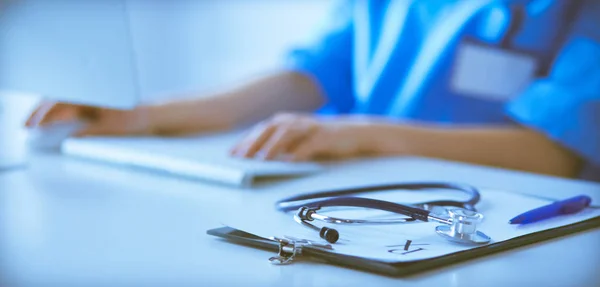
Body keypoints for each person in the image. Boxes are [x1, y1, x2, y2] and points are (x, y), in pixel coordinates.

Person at [25, 0, 599, 181]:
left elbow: (561, 148)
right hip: (369, 200)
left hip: (514, 226)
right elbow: (312, 74)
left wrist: (363, 136)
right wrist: (148, 115)